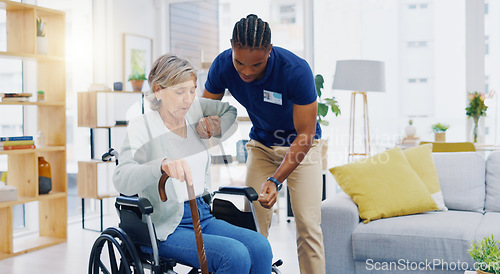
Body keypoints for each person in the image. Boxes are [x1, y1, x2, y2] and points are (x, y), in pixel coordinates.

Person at [113, 53, 273, 274]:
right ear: (158, 90)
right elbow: (122, 178)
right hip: (166, 226)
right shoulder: (142, 127)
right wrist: (161, 165)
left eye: (192, 90)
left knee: (260, 247)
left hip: (203, 215)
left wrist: (216, 126)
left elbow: (229, 111)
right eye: (180, 92)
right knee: (234, 255)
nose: (188, 99)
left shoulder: (193, 111)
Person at [203, 14, 325, 274]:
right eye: (240, 63)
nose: (246, 71)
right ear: (231, 47)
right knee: (254, 228)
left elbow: (305, 135)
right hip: (262, 146)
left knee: (308, 227)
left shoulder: (296, 70)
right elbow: (205, 114)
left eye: (256, 64)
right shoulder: (223, 65)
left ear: (270, 50)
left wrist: (276, 180)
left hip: (303, 149)